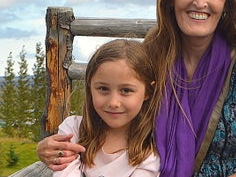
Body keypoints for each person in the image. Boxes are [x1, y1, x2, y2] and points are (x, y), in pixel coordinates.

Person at [39, 0, 236, 177]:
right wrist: (50, 148)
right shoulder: (148, 59)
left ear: (227, 2)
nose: (200, 2)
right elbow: (108, 125)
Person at [52, 39, 160, 177]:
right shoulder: (73, 130)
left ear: (148, 91)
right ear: (90, 87)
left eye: (126, 90)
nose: (113, 102)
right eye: (103, 89)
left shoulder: (151, 149)